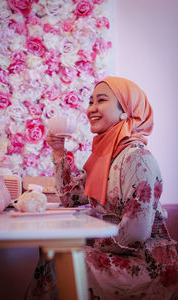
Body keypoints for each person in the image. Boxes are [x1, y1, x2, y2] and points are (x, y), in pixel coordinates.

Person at [25, 77, 178, 300]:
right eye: (90, 101)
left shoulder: (137, 159)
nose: (91, 108)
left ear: (125, 110)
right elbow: (71, 198)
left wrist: (85, 238)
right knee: (55, 257)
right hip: (118, 255)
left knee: (64, 261)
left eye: (101, 100)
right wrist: (59, 151)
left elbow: (135, 236)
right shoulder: (106, 156)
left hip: (146, 264)